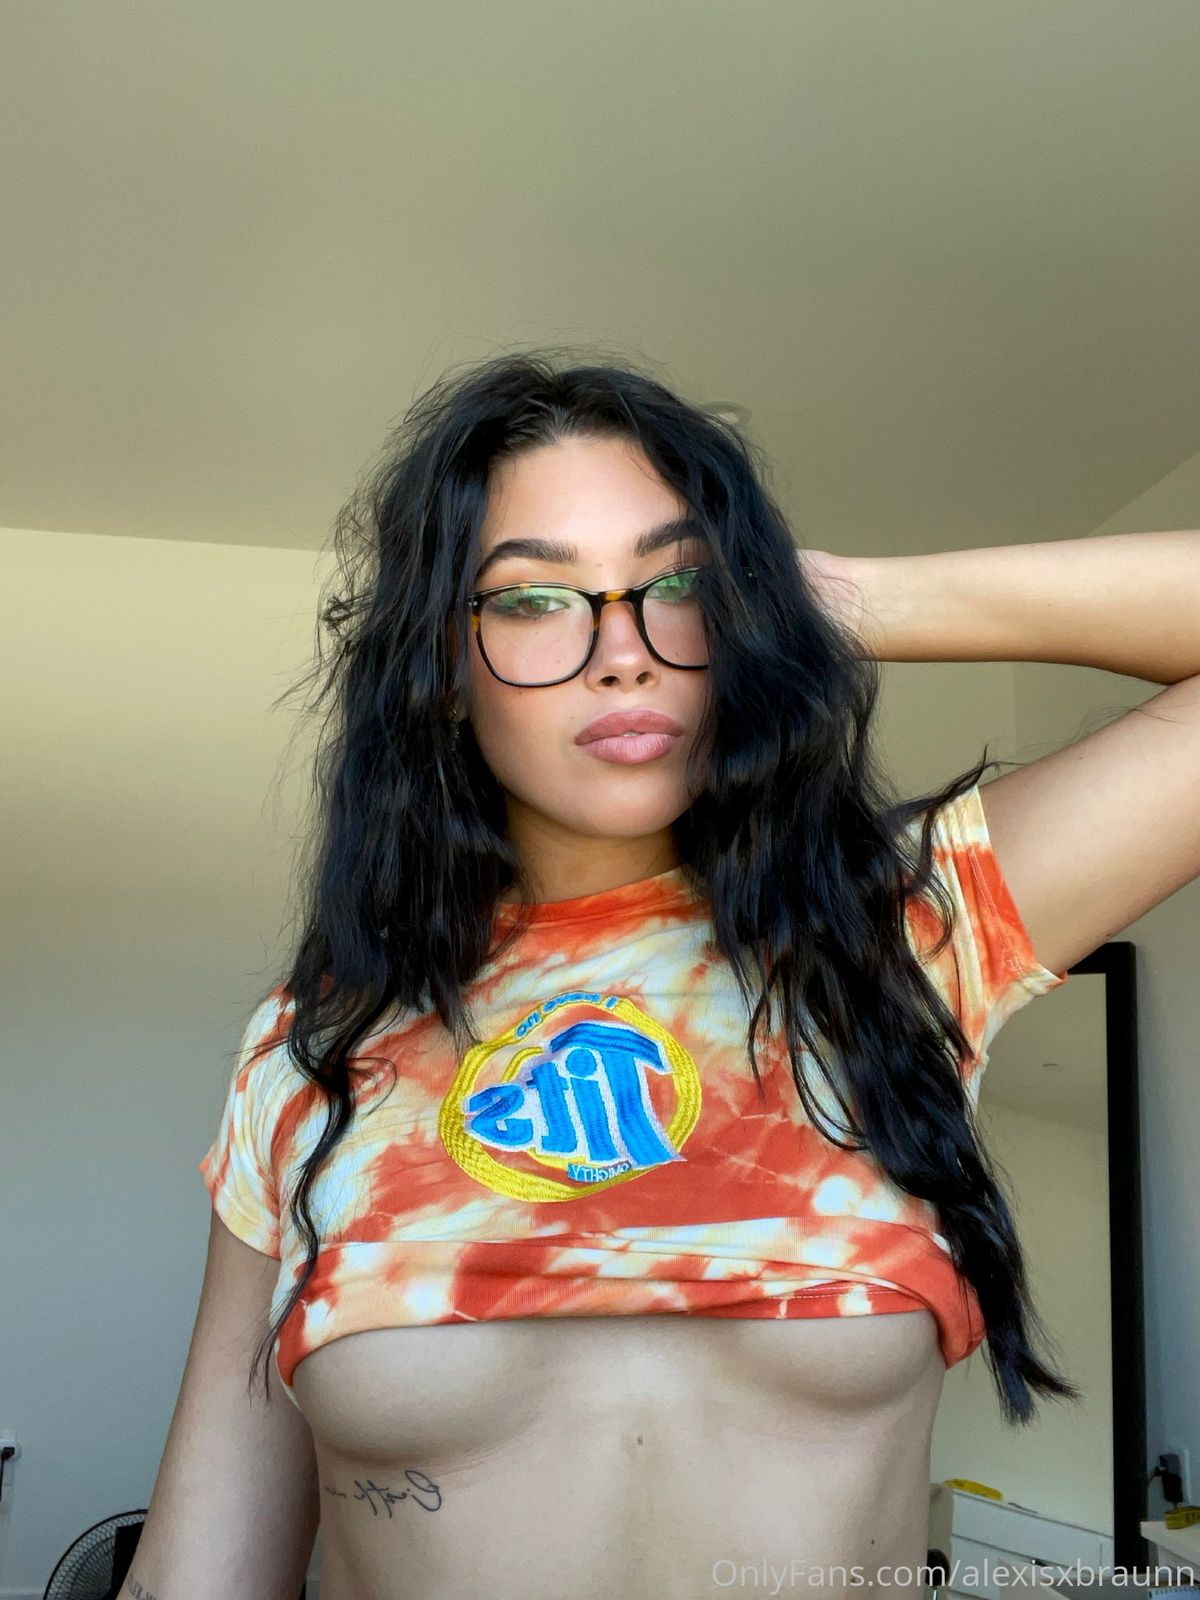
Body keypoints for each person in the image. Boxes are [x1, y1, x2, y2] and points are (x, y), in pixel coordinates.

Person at [132, 349, 1200, 1599]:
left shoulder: (902, 935)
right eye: (534, 598)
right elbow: (197, 1576)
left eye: (678, 583)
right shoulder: (317, 1047)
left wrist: (830, 602)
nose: (621, 650)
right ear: (441, 664)